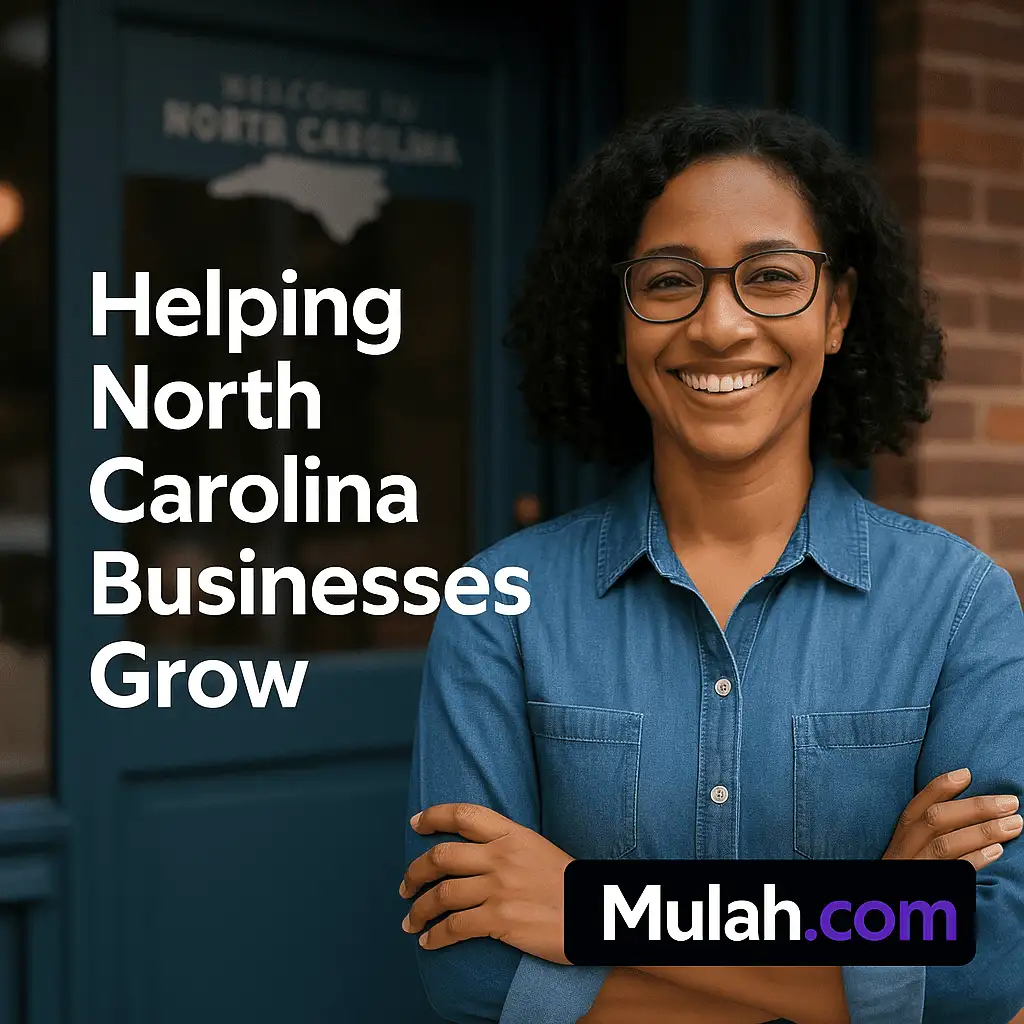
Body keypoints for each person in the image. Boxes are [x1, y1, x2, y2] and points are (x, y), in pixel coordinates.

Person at [399, 106, 1024, 1024]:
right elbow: (469, 978)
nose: (720, 324)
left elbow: (989, 966)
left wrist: (584, 912)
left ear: (839, 311)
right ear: (618, 323)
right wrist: (876, 928)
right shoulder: (500, 606)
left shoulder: (960, 605)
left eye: (772, 277)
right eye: (668, 281)